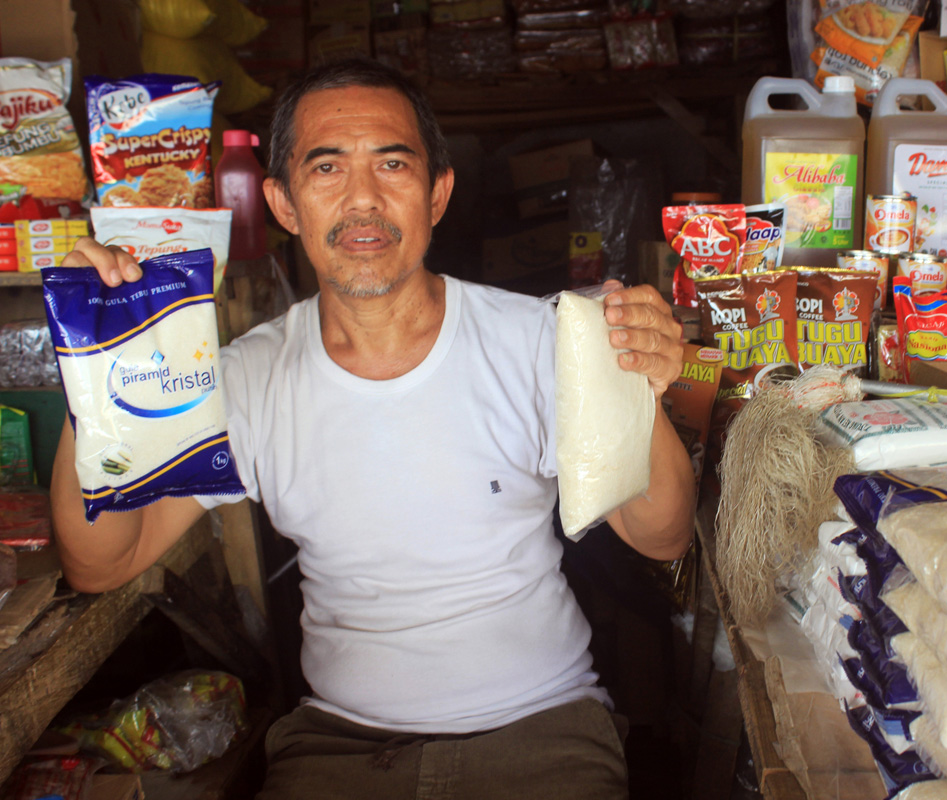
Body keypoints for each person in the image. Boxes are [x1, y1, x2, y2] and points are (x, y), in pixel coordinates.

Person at [50, 59, 695, 798]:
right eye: (327, 168)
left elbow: (662, 534)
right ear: (284, 203)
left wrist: (638, 381)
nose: (362, 199)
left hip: (542, 735)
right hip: (339, 752)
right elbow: (103, 561)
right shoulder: (248, 379)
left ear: (436, 194)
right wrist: (96, 368)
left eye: (393, 164)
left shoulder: (538, 341)